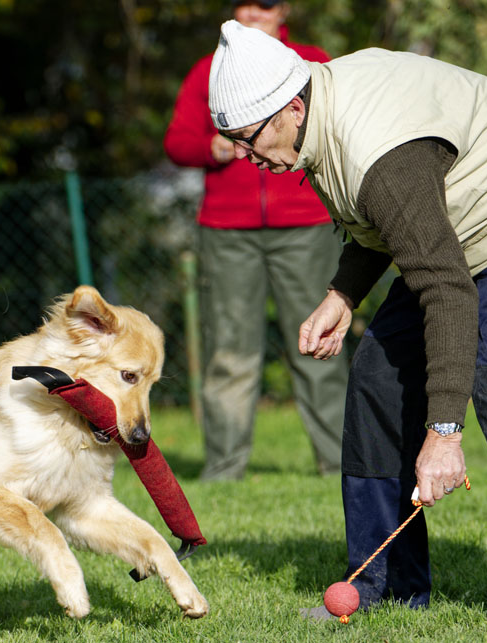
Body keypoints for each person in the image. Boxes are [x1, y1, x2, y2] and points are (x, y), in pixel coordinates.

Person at [206, 20, 487, 637]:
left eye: (248, 138)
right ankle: (385, 587)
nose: (245, 155)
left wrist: (444, 432)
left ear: (289, 107)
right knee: (377, 384)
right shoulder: (312, 127)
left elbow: (445, 288)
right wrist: (344, 293)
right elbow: (386, 222)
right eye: (232, 141)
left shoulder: (374, 148)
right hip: (467, 229)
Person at [164, 1, 348, 482]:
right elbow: (176, 142)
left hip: (306, 225)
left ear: (282, 9)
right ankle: (224, 469)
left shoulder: (309, 59)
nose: (255, 12)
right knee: (230, 353)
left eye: (265, 3)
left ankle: (341, 463)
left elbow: (335, 126)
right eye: (245, 3)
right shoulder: (207, 70)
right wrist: (212, 147)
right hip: (227, 231)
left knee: (318, 344)